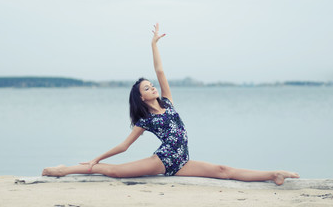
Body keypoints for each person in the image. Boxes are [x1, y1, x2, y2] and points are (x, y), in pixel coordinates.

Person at [42, 23, 299, 185]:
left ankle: (272, 174)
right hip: (163, 160)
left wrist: (154, 44)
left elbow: (161, 70)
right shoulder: (145, 120)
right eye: (147, 88)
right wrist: (96, 157)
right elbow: (124, 145)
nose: (152, 86)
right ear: (141, 98)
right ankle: (66, 170)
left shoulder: (168, 102)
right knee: (115, 172)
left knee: (224, 170)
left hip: (183, 160)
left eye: (151, 84)